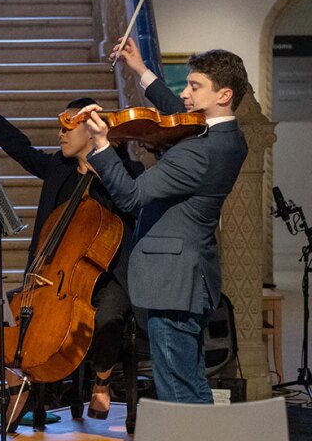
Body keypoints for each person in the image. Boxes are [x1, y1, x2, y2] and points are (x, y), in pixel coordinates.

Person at [0, 80, 142, 430]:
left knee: (108, 319)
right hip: (55, 276)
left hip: (108, 273)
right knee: (9, 315)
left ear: (91, 130)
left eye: (67, 127)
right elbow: (18, 147)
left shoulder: (125, 173)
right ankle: (18, 395)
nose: (60, 135)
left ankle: (102, 379)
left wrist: (104, 163)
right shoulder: (59, 167)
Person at [81, 36, 249, 403]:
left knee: (178, 389)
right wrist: (140, 70)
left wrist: (102, 145)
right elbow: (179, 116)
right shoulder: (229, 138)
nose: (185, 94)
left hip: (172, 280)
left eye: (195, 86)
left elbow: (131, 195)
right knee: (189, 381)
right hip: (191, 274)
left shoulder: (197, 153)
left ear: (224, 95)